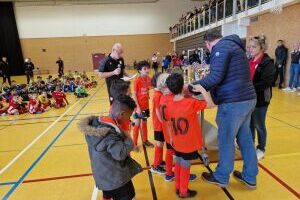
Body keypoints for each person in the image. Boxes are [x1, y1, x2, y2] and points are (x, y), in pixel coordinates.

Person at [192, 31, 258, 189]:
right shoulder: (234, 45)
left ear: (208, 43)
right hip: (248, 98)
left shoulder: (221, 48)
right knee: (245, 139)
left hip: (233, 102)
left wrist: (193, 86)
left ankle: (221, 176)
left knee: (226, 139)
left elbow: (215, 77)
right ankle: (250, 176)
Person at [78, 94, 142, 200]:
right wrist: (128, 140)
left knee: (108, 194)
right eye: (128, 116)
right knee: (128, 195)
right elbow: (120, 154)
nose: (128, 119)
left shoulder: (97, 122)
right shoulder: (110, 133)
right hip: (116, 178)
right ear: (122, 114)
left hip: (102, 174)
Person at [166, 73, 214, 198]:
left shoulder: (169, 102)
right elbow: (210, 104)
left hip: (176, 140)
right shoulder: (190, 103)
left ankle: (177, 187)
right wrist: (202, 89)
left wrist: (171, 137)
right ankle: (183, 192)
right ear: (182, 86)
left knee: (178, 163)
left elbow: (169, 123)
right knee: (186, 166)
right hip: (188, 143)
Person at [248, 35, 275, 161]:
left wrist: (248, 87)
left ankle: (261, 148)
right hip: (250, 98)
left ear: (262, 48)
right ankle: (250, 145)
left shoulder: (267, 63)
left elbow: (266, 82)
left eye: (254, 47)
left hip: (261, 99)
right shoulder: (250, 60)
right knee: (250, 123)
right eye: (250, 47)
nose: (251, 49)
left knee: (259, 124)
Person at [132, 60, 154, 147]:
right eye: (145, 69)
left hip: (146, 106)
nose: (147, 70)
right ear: (140, 70)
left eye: (148, 68)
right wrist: (137, 107)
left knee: (144, 122)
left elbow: (152, 85)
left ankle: (145, 141)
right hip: (138, 107)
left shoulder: (149, 78)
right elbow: (134, 95)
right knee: (137, 124)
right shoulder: (137, 81)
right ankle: (134, 143)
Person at [150, 73, 166, 174]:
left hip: (160, 124)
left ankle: (159, 161)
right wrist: (163, 123)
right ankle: (155, 166)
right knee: (159, 144)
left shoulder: (160, 93)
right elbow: (157, 111)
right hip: (159, 125)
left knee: (161, 143)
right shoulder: (157, 95)